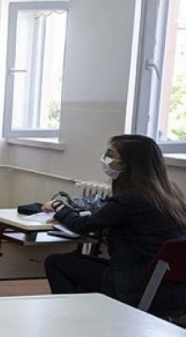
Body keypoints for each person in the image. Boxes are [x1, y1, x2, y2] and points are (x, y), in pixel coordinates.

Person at [43, 135, 186, 317]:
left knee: (56, 262)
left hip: (138, 286)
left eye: (110, 154)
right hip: (172, 288)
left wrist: (58, 206)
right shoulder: (171, 194)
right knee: (75, 259)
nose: (105, 158)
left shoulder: (131, 198)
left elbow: (81, 225)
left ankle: (74, 319)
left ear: (127, 163)